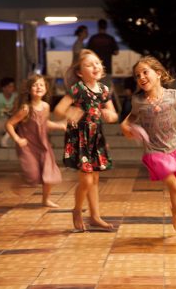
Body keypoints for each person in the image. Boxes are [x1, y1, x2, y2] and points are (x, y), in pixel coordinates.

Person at [120, 56, 176, 243]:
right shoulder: (138, 101)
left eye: (145, 72)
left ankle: (175, 209)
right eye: (138, 75)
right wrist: (126, 129)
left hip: (175, 149)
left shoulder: (173, 96)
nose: (141, 77)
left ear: (158, 74)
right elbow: (129, 120)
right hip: (154, 153)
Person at [54, 49, 118, 231]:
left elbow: (114, 115)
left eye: (97, 63)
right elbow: (59, 109)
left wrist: (109, 114)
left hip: (96, 138)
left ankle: (95, 216)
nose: (95, 67)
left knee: (95, 179)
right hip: (79, 138)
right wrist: (69, 113)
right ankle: (76, 210)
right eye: (89, 65)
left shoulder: (104, 90)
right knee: (87, 181)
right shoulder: (78, 89)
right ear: (80, 73)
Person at [5, 74, 66, 208]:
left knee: (49, 174)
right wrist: (17, 139)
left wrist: (59, 125)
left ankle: (45, 199)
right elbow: (9, 124)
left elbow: (44, 123)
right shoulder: (26, 109)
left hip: (43, 145)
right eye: (35, 85)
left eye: (41, 84)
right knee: (33, 177)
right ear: (29, 89)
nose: (38, 87)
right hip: (27, 146)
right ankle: (19, 180)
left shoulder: (45, 106)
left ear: (46, 88)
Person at [87, 19, 121, 112]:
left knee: (94, 89)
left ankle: (94, 110)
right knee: (107, 90)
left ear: (98, 27)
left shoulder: (93, 38)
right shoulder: (110, 38)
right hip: (107, 68)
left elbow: (87, 53)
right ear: (106, 27)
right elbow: (116, 52)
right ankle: (107, 110)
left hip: (94, 69)